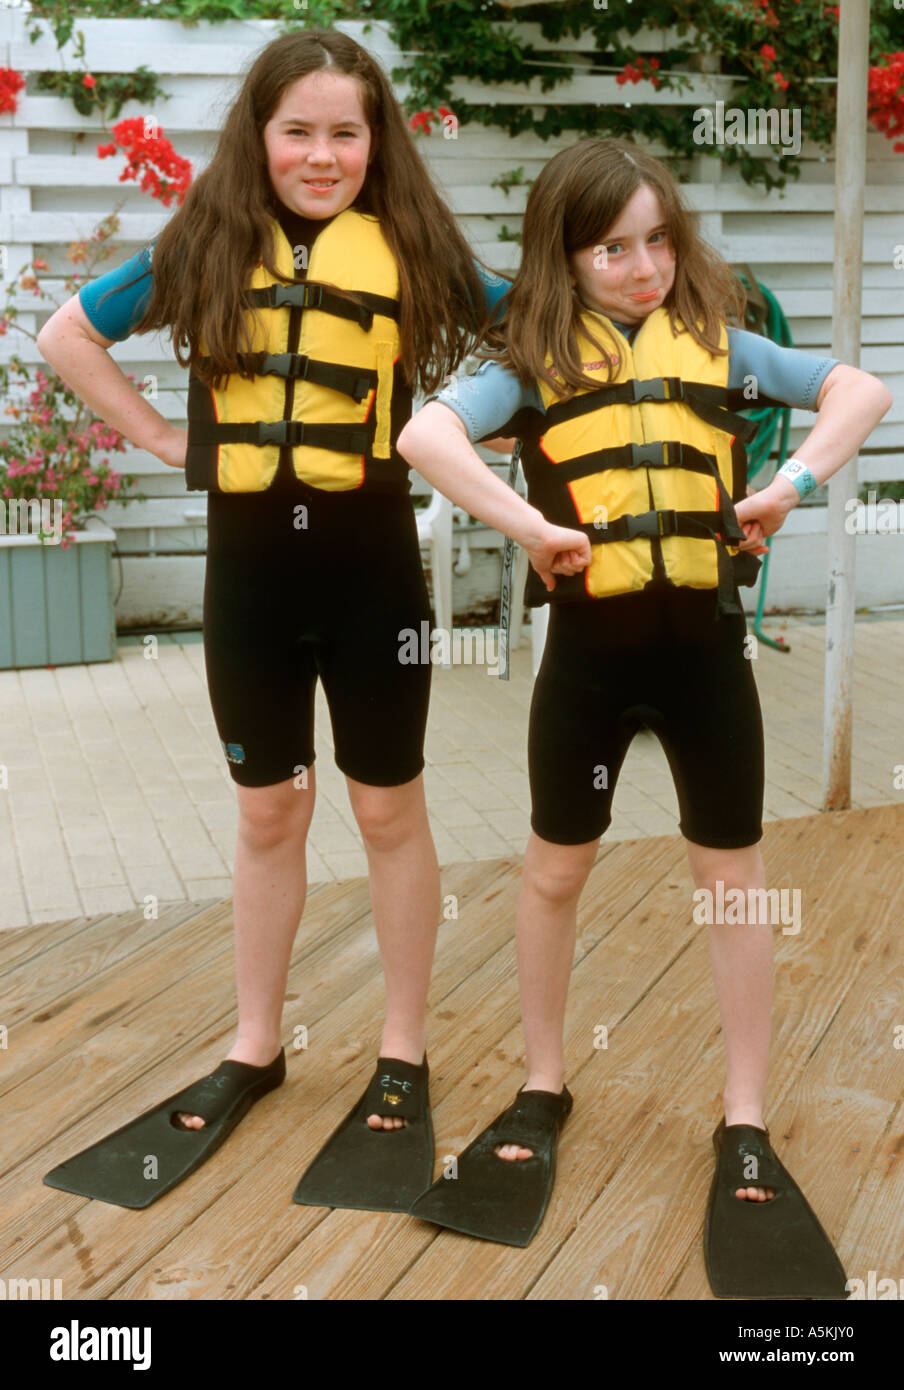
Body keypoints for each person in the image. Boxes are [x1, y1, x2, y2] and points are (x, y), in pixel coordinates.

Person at [38, 27, 590, 1214]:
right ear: (259, 134)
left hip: (371, 576)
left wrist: (479, 433)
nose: (323, 154)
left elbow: (538, 339)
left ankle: (402, 1046)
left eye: (347, 131)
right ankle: (254, 1041)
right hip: (247, 577)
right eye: (299, 130)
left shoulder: (413, 247)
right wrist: (165, 441)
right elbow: (65, 336)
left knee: (387, 809)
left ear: (375, 140)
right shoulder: (204, 242)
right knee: (264, 811)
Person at [397, 137, 892, 1283]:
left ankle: (745, 1111)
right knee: (554, 872)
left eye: (657, 240)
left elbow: (857, 389)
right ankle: (541, 1080)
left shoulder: (724, 349)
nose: (641, 266)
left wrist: (786, 486)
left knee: (734, 877)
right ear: (563, 258)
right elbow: (427, 434)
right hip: (589, 662)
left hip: (705, 662)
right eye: (610, 248)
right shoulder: (525, 362)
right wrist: (528, 530)